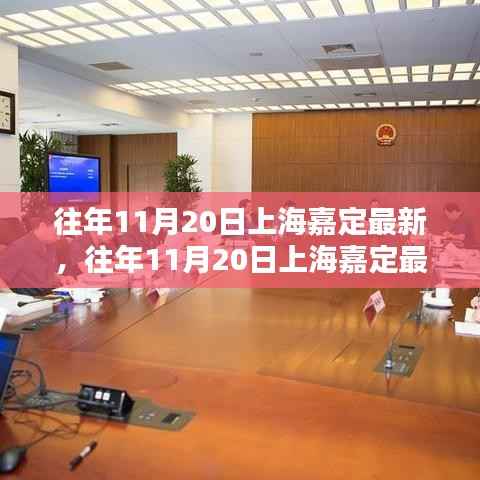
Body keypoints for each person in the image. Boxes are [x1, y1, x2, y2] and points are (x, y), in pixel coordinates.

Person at [0, 217, 73, 293]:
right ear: (42, 226)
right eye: (57, 232)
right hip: (29, 297)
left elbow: (44, 274)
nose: (59, 238)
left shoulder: (50, 245)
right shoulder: (19, 247)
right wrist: (11, 296)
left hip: (47, 294)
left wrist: (61, 278)